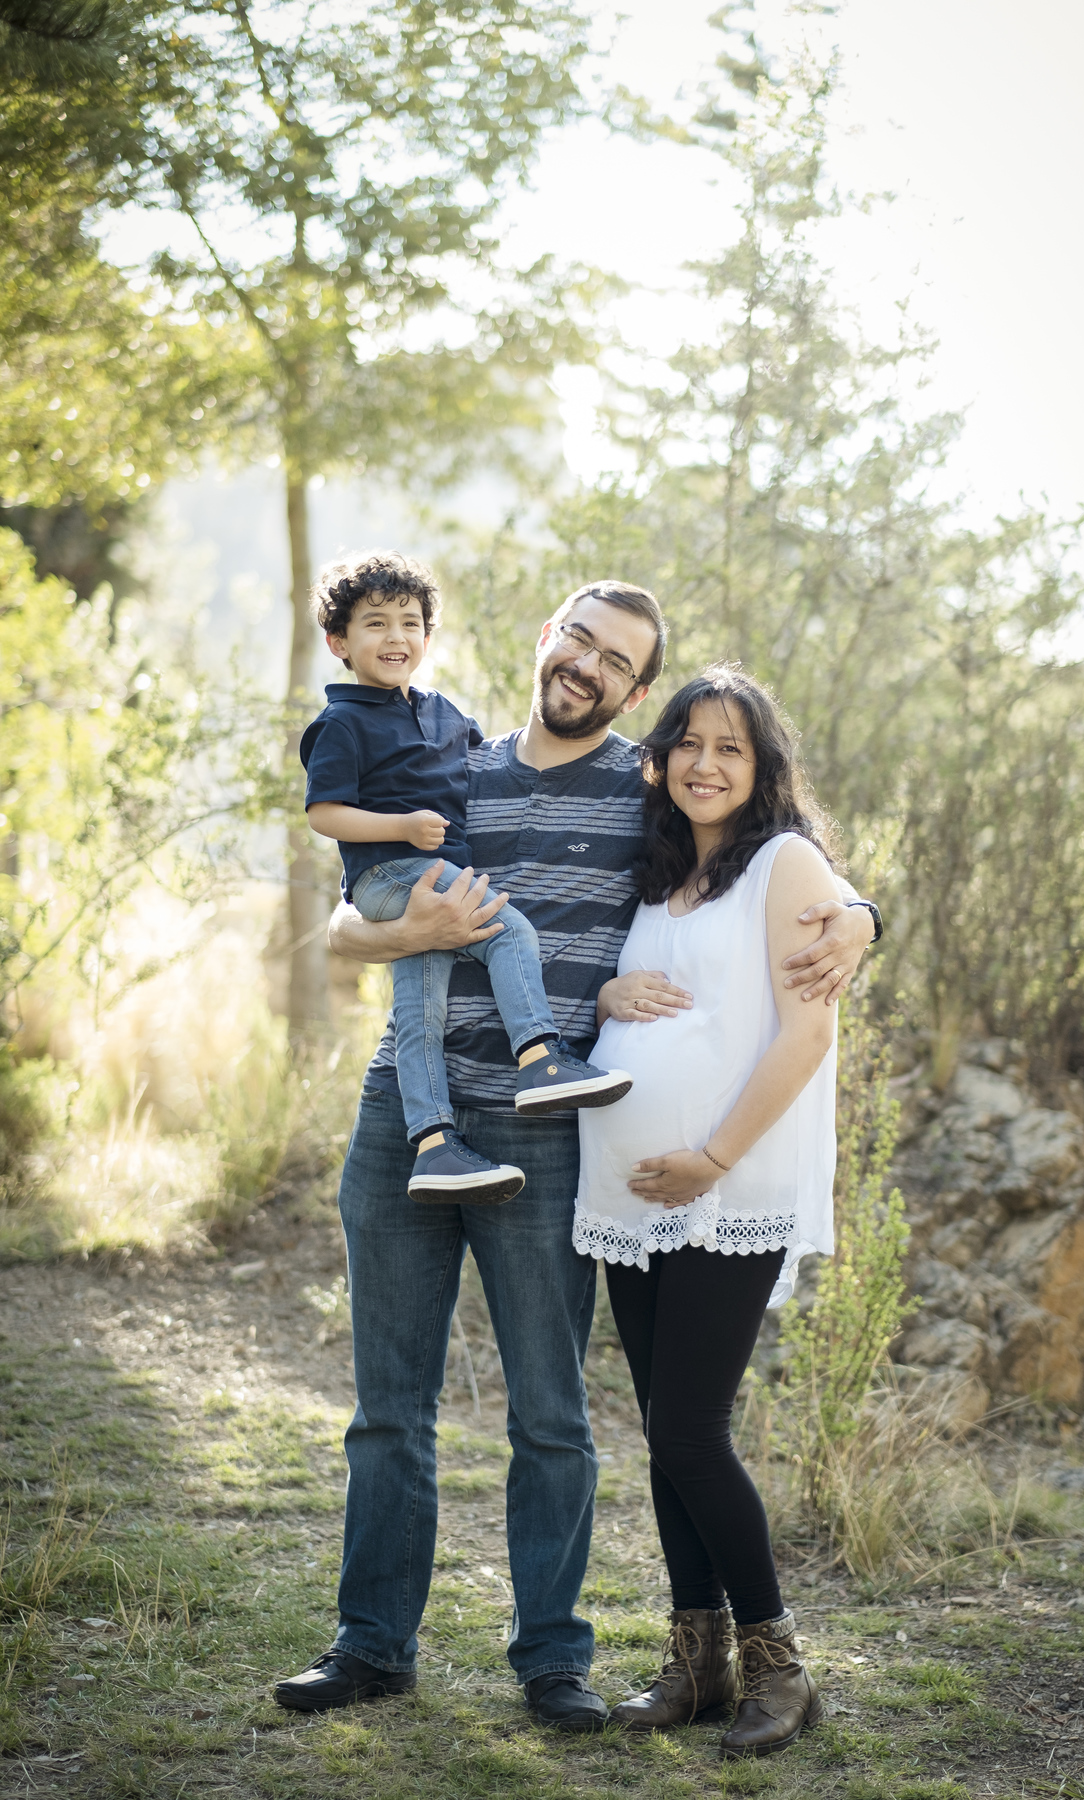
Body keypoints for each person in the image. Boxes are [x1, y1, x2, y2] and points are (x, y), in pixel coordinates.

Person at [272, 584, 880, 1728]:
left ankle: (552, 1661)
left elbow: (765, 855)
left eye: (618, 662)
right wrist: (416, 933)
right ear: (543, 641)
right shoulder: (446, 761)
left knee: (553, 1416)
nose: (588, 666)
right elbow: (345, 925)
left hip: (551, 1138)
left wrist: (862, 914)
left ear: (636, 693)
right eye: (578, 641)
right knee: (386, 1409)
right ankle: (370, 1647)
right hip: (409, 1114)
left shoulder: (645, 799)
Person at [573, 664, 844, 1759]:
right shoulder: (649, 878)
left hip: (733, 1183)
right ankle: (698, 1661)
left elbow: (804, 1034)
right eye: (689, 741)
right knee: (665, 1435)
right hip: (635, 1196)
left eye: (731, 747)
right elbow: (607, 988)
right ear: (661, 756)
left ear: (763, 766)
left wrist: (712, 1158)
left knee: (691, 1429)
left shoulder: (785, 864)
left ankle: (780, 1664)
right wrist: (601, 996)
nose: (706, 763)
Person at [300, 552, 630, 1205]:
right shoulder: (343, 722)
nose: (395, 637)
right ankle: (539, 1057)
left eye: (410, 622)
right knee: (508, 933)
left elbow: (489, 774)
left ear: (427, 635)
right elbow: (324, 814)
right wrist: (402, 827)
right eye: (375, 624)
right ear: (339, 641)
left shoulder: (444, 713)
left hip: (430, 871)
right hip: (391, 873)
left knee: (421, 1011)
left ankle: (433, 1147)